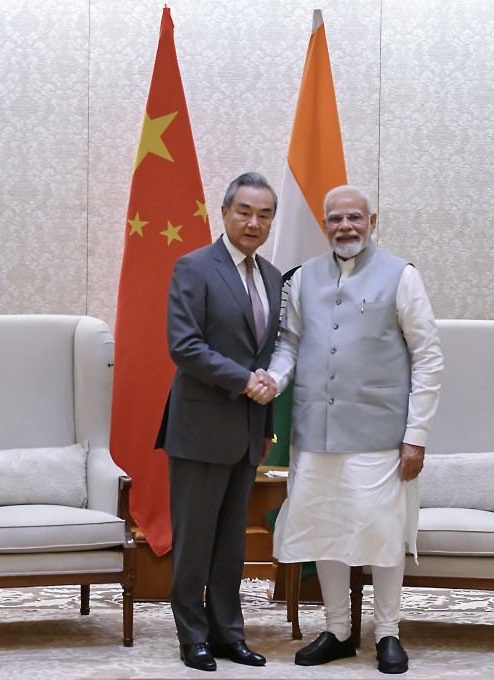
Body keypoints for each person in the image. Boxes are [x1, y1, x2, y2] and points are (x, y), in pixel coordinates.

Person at [250, 184, 443, 674]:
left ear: (372, 221)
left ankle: (389, 633)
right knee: (325, 533)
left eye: (355, 218)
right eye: (335, 219)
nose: (345, 227)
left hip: (379, 436)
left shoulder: (402, 275)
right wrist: (273, 380)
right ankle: (338, 630)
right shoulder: (304, 279)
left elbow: (428, 357)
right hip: (314, 433)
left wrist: (416, 434)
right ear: (325, 224)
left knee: (381, 536)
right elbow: (289, 344)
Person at [154, 172, 282, 672]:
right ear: (224, 213)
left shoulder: (273, 277)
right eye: (244, 212)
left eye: (264, 214)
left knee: (230, 545)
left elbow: (268, 354)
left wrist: (267, 423)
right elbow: (184, 346)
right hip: (200, 429)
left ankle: (229, 633)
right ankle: (193, 636)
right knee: (195, 542)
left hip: (249, 433)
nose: (254, 222)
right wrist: (243, 382)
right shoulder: (193, 267)